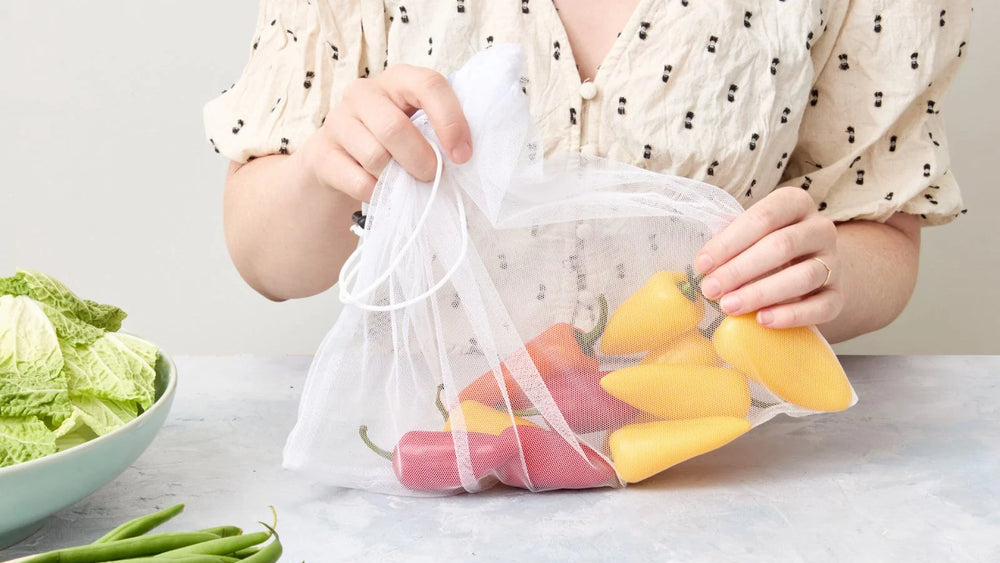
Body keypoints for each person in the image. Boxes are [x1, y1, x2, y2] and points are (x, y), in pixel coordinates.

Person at [205, 1, 972, 344]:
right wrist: (324, 172)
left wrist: (825, 277)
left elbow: (882, 225)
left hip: (712, 444)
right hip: (435, 441)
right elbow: (266, 260)